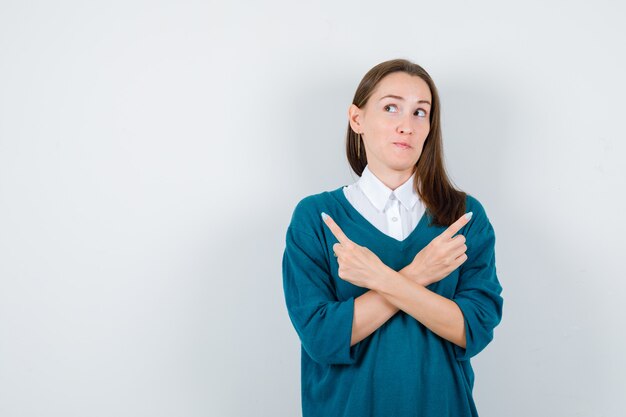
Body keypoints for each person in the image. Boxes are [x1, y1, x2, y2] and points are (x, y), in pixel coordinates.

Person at [281, 58, 503, 417]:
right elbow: (321, 338)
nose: (406, 126)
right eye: (391, 108)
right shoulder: (316, 218)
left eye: (420, 112)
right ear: (357, 119)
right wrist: (418, 274)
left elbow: (473, 329)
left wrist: (381, 278)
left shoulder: (463, 217)